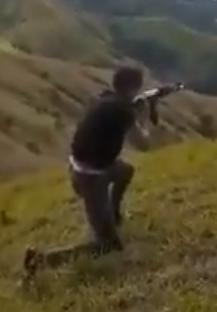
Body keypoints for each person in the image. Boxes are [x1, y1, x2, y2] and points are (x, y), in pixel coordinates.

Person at [23, 65, 151, 279]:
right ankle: (40, 259)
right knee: (108, 246)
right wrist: (143, 117)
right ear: (133, 88)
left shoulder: (105, 98)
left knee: (125, 171)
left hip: (83, 165)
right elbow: (144, 144)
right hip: (91, 177)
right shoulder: (123, 111)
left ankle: (114, 215)